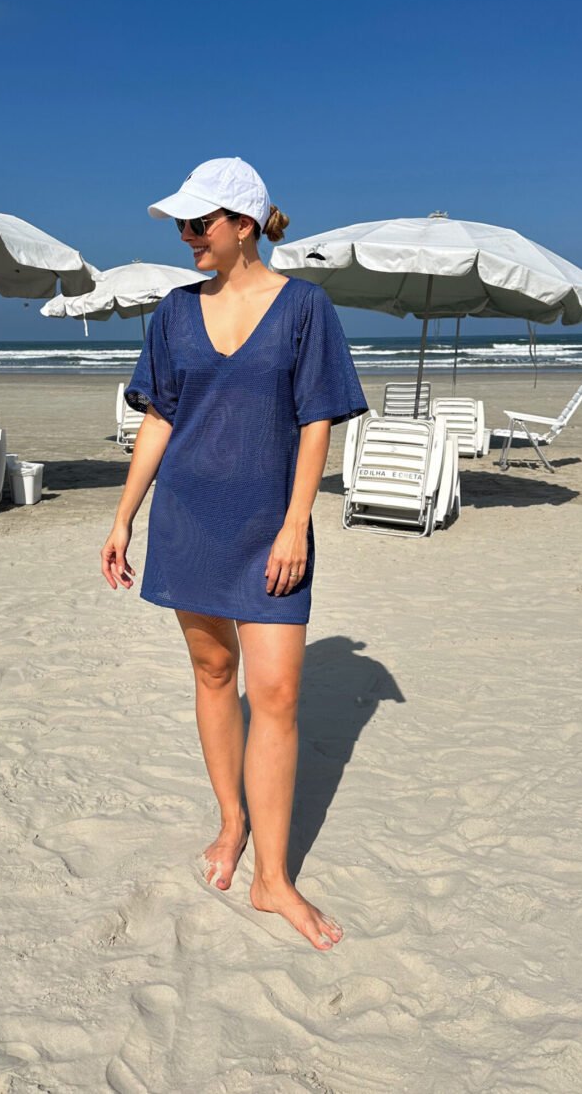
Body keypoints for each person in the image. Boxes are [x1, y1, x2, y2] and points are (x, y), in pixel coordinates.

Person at [100, 157, 367, 950]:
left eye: (198, 223)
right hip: (189, 520)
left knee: (276, 692)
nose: (187, 236)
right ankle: (231, 821)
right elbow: (159, 419)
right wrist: (123, 518)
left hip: (270, 527)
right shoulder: (174, 314)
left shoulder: (305, 308)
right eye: (182, 224)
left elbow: (317, 420)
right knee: (214, 672)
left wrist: (296, 523)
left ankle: (273, 878)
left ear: (244, 225)